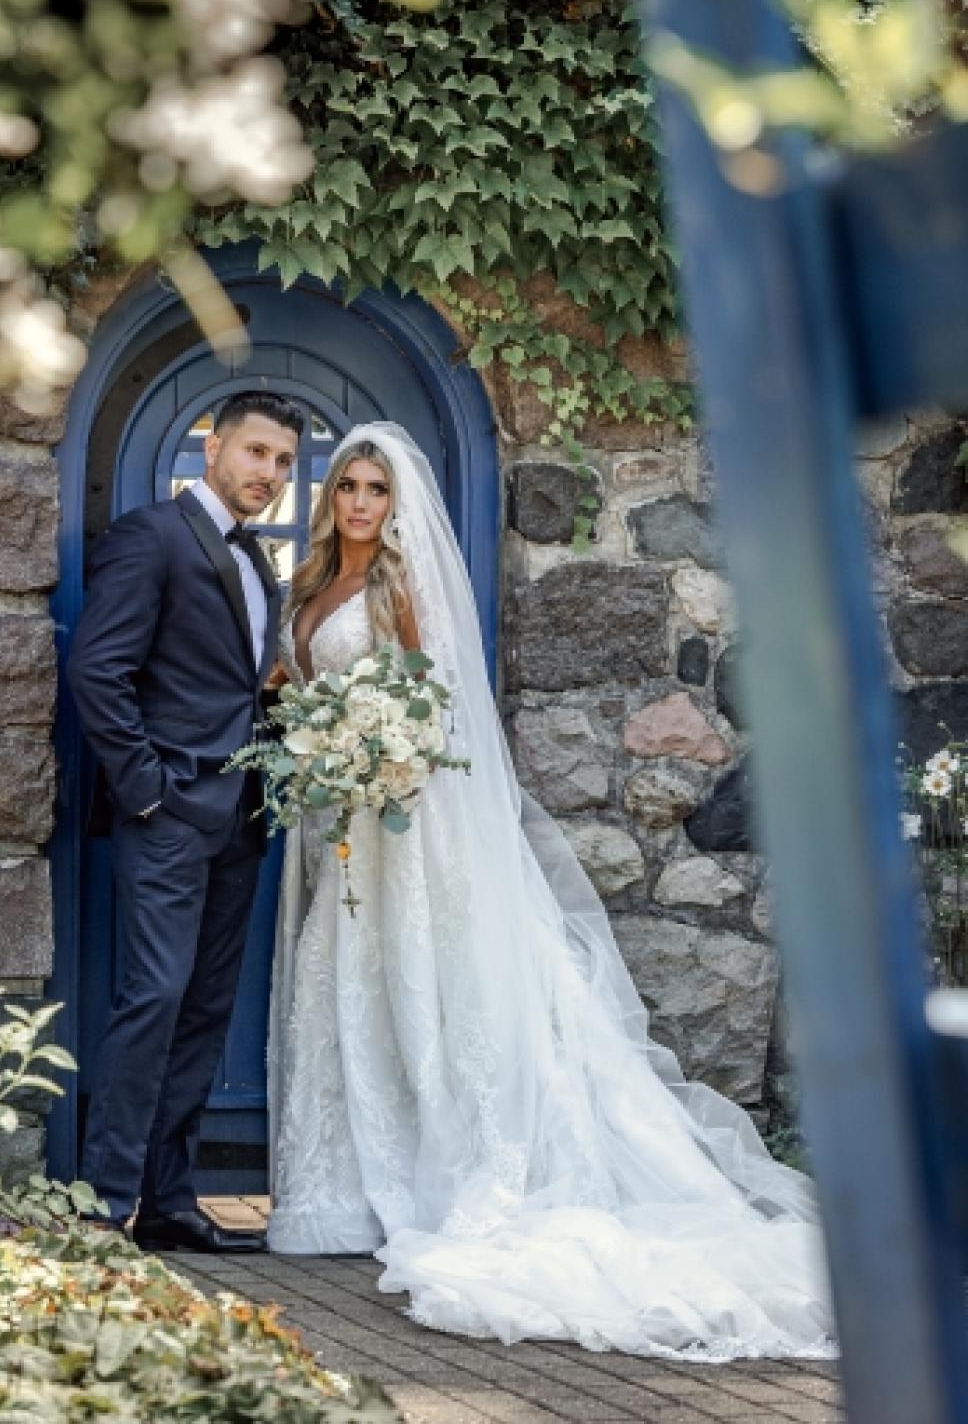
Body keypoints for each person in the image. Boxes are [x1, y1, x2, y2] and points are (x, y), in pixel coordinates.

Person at [266, 420, 837, 1361]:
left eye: (375, 490)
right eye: (348, 488)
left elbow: (431, 700)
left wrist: (378, 749)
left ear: (396, 504)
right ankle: (346, 1193)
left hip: (401, 818)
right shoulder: (312, 584)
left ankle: (446, 1177)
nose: (360, 503)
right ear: (331, 500)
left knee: (423, 977)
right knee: (350, 978)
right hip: (342, 822)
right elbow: (292, 685)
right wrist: (315, 735)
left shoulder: (396, 587)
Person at [67, 389, 303, 1253]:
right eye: (256, 454)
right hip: (168, 814)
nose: (268, 475)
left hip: (241, 814)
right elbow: (99, 670)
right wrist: (147, 790)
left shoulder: (260, 564)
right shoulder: (152, 536)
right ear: (214, 448)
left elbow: (243, 688)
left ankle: (170, 1199)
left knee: (203, 1008)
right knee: (154, 998)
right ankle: (105, 1197)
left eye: (282, 463)